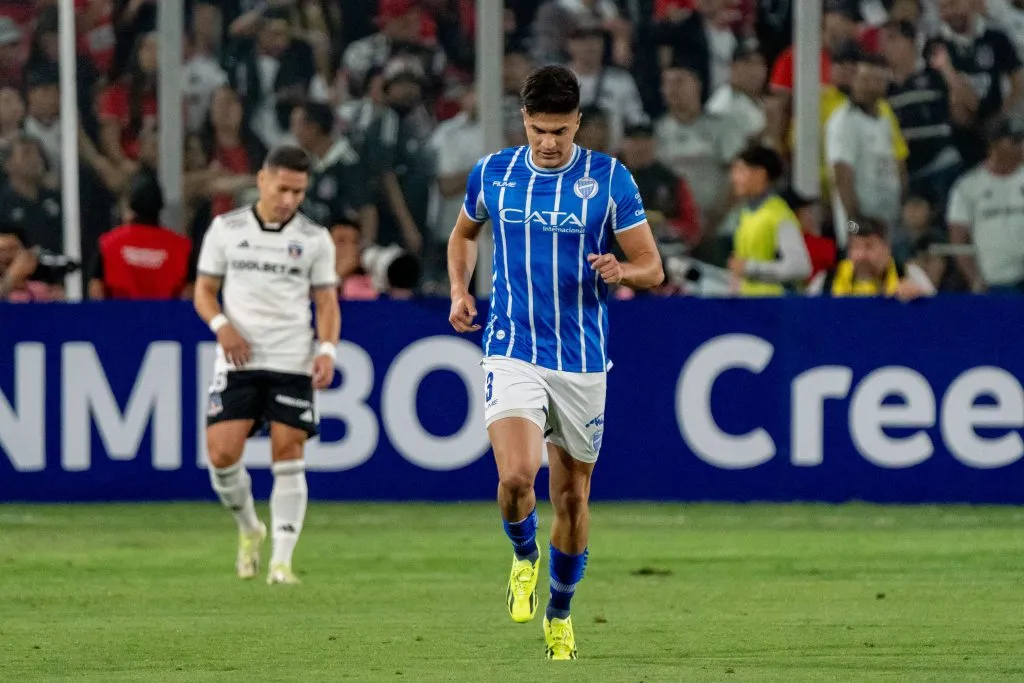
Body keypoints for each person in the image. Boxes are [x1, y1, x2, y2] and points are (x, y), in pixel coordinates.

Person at [447, 65, 664, 661]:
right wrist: (460, 290)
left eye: (560, 132)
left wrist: (624, 271)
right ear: (524, 120)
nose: (548, 142)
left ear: (578, 124)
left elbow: (653, 266)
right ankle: (524, 555)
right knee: (517, 477)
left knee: (571, 499)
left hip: (581, 360)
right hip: (512, 346)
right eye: (538, 129)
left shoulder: (609, 179)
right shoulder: (494, 173)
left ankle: (561, 613)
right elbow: (464, 235)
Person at [192, 145, 341, 585]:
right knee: (221, 454)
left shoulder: (315, 238)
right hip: (238, 358)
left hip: (292, 357)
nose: (290, 199)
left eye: (299, 192)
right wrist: (222, 326)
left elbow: (326, 302)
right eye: (283, 189)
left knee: (288, 450)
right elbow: (203, 291)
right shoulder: (226, 229)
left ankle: (282, 562)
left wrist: (327, 350)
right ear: (262, 180)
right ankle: (249, 528)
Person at [88, 172, 192, 300]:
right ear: (160, 206)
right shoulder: (181, 248)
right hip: (165, 313)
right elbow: (189, 296)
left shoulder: (109, 244)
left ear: (131, 205)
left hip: (120, 312)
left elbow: (96, 291)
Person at [726, 145, 812, 296]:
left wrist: (751, 268)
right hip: (748, 303)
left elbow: (800, 267)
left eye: (741, 170)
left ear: (760, 174)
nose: (734, 178)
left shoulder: (779, 214)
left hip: (775, 303)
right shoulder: (746, 213)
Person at [807, 217, 935, 300]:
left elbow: (934, 312)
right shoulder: (826, 281)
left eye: (869, 246)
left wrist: (918, 296)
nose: (861, 255)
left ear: (887, 248)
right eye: (855, 247)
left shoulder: (909, 274)